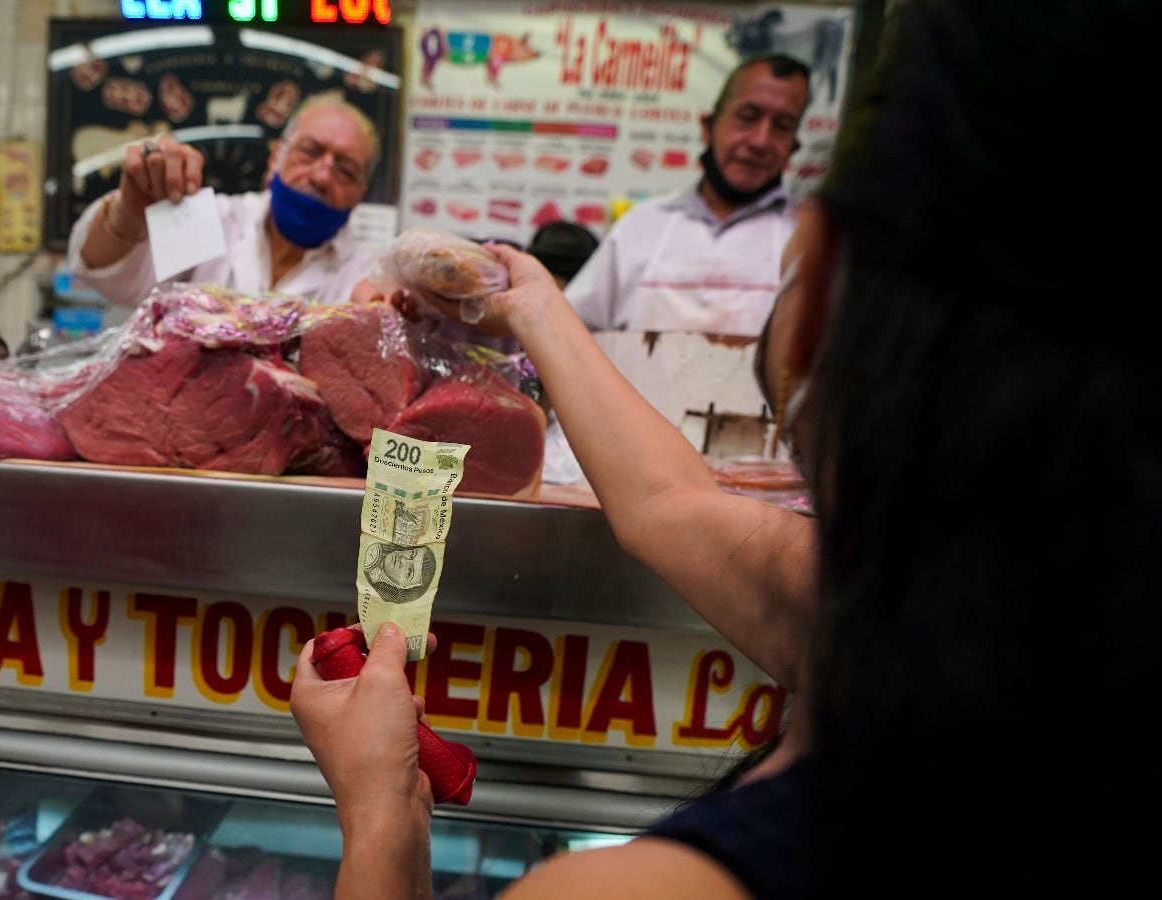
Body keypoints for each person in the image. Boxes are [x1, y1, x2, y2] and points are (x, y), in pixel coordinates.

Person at [290, 1, 1157, 897]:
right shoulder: (962, 625)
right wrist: (532, 304)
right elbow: (672, 505)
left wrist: (383, 809)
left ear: (810, 300)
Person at [565, 53, 810, 336]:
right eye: (748, 117)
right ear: (709, 126)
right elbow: (570, 334)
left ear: (794, 146)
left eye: (782, 126)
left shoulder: (808, 242)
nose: (760, 141)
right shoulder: (640, 227)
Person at [66, 94, 381, 308]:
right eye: (309, 152)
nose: (322, 176)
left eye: (345, 170)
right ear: (275, 159)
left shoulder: (367, 276)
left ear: (360, 196)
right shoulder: (211, 220)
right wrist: (128, 214)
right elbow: (109, 278)